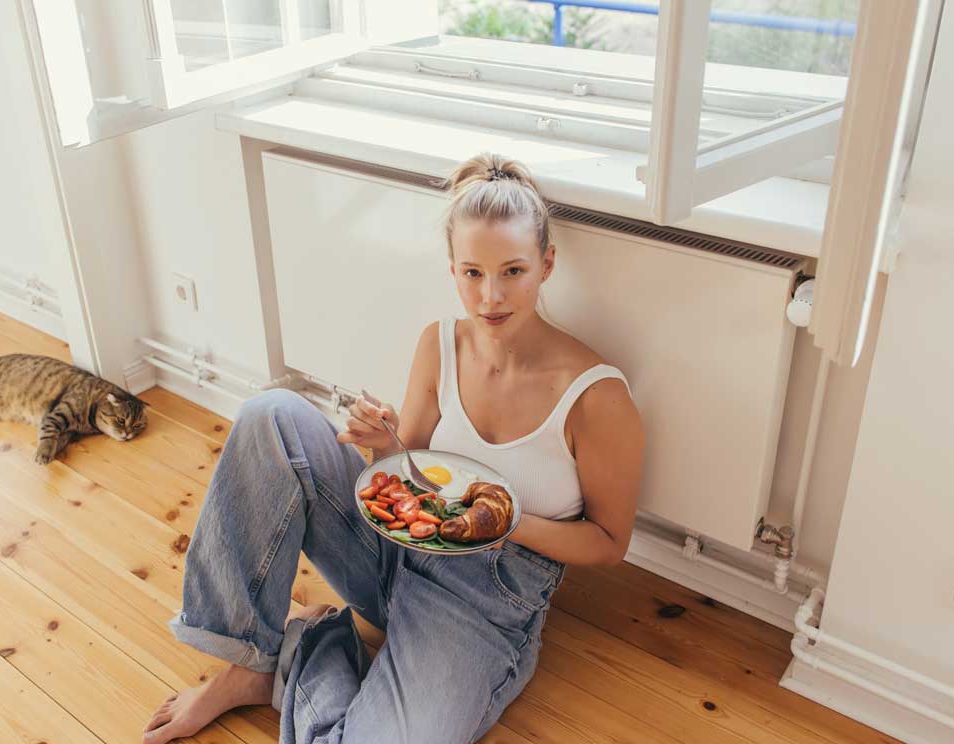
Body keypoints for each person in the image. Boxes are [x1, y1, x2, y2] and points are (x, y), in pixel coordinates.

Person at [143, 152, 645, 744]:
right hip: (398, 552)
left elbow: (610, 544)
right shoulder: (439, 344)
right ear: (453, 269)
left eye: (513, 271)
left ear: (546, 264)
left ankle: (307, 648)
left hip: (486, 599)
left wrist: (499, 524)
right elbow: (411, 478)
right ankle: (249, 665)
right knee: (269, 415)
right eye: (472, 274)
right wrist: (385, 447)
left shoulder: (596, 396)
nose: (490, 298)